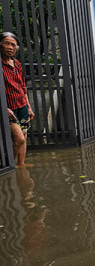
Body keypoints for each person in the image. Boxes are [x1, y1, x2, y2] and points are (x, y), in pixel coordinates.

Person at [1, 32, 34, 167]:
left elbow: (22, 87)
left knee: (24, 135)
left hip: (22, 105)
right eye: (6, 43)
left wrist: (29, 107)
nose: (10, 47)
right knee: (19, 139)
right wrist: (4, 108)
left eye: (13, 45)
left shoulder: (17, 64)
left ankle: (21, 164)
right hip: (9, 108)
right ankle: (10, 166)